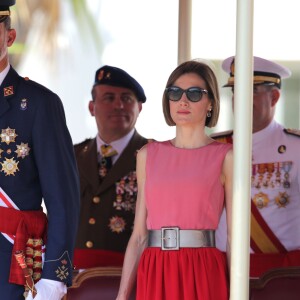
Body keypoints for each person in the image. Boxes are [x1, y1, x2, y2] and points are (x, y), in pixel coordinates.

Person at [116, 60, 233, 300]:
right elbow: (138, 236)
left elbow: (234, 238)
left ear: (210, 102)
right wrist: (121, 296)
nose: (183, 100)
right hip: (156, 267)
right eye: (175, 92)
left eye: (194, 93)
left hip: (203, 269)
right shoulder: (148, 155)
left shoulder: (226, 157)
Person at [0, 1, 80, 299]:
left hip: (13, 260)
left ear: (9, 37)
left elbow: (63, 198)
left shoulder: (38, 103)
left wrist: (54, 277)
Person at [214, 56, 300, 278]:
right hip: (223, 271)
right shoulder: (214, 148)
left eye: (250, 91)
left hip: (282, 273)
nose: (240, 99)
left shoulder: (296, 147)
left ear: (274, 97)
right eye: (235, 91)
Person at [73, 65, 150, 269]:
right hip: (73, 279)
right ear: (92, 107)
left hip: (131, 275)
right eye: (109, 98)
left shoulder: (155, 155)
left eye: (126, 98)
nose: (119, 105)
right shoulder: (71, 156)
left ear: (139, 108)